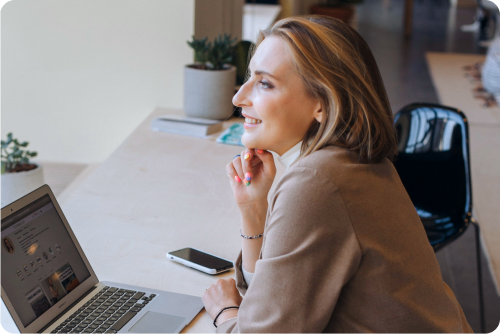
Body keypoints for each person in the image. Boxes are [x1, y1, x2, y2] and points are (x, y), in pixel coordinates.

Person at [202, 16, 473, 333]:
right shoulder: (348, 161)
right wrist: (253, 212)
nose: (238, 98)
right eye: (250, 77)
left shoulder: (318, 181)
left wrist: (226, 312)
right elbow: (270, 302)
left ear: (323, 104)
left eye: (265, 83)